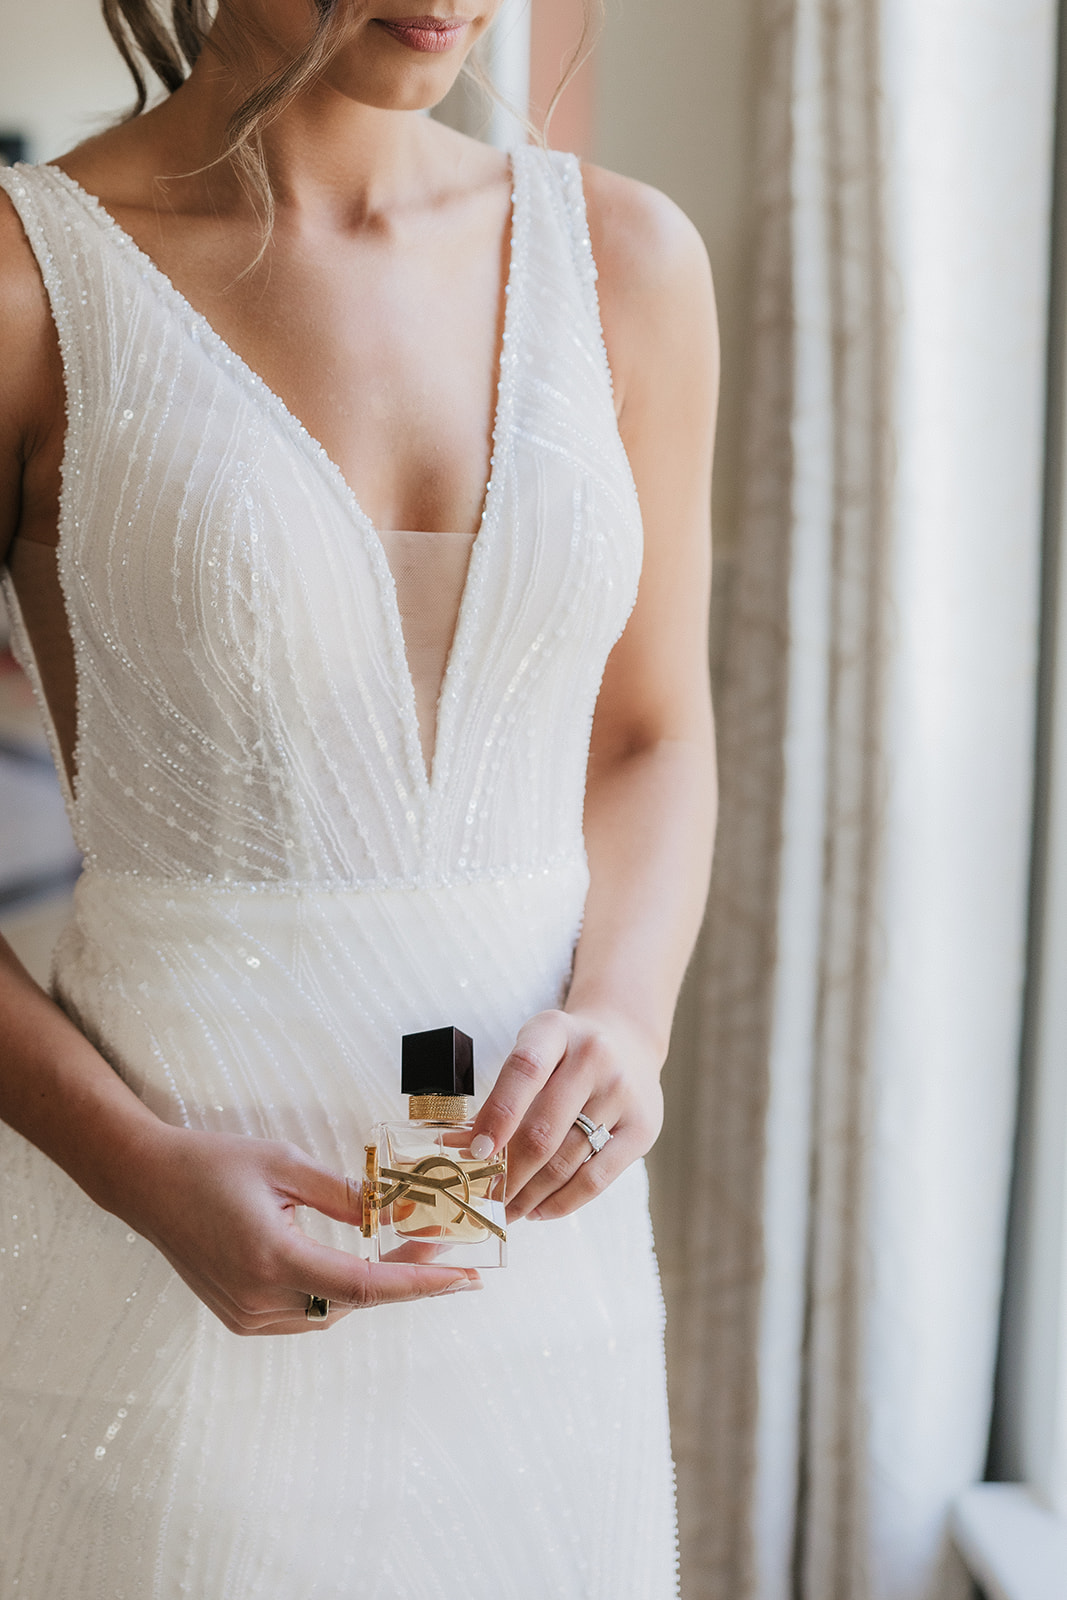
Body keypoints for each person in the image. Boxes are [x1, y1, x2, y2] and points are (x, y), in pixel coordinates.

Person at [0, 2, 718, 1594]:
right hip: (161, 1267)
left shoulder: (632, 265)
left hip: (538, 1274)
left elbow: (650, 736)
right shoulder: (26, 277)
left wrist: (628, 1019)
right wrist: (133, 1169)